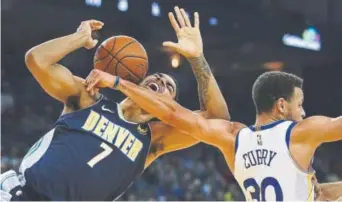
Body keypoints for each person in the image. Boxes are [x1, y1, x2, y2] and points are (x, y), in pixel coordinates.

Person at [0, 7, 229, 201]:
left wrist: (197, 58)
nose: (161, 81)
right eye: (157, 77)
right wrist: (79, 38)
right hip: (22, 194)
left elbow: (218, 121)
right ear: (139, 81)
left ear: (167, 108)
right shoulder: (88, 97)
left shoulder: (154, 140)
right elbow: (36, 60)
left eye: (169, 87)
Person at [86, 66, 342, 200]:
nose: (304, 112)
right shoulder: (301, 132)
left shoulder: (235, 138)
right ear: (282, 106)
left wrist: (119, 84)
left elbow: (173, 114)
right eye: (300, 105)